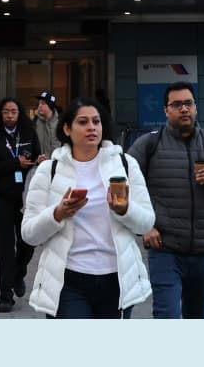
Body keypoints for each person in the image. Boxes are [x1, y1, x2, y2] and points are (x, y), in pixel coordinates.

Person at [21, 97, 154, 319]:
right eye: (83, 122)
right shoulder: (48, 170)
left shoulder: (125, 164)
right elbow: (29, 234)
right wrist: (57, 214)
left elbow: (147, 222)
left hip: (116, 278)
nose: (91, 127)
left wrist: (125, 210)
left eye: (96, 121)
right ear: (67, 128)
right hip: (67, 280)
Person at [130, 81, 204, 318]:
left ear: (195, 108)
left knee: (197, 318)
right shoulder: (149, 144)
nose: (184, 109)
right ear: (166, 110)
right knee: (167, 316)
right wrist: (144, 227)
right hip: (165, 250)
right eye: (176, 104)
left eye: (188, 103)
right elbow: (121, 186)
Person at [0, 96, 38, 311]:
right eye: (6, 112)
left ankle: (18, 273)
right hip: (2, 198)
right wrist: (14, 163)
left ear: (20, 113)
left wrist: (38, 161)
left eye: (14, 111)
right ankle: (5, 296)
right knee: (5, 248)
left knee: (28, 242)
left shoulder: (28, 133)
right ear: (0, 114)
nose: (10, 115)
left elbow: (35, 157)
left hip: (25, 198)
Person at [32, 91, 62, 161]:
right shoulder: (34, 122)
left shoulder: (60, 124)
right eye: (39, 103)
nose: (39, 106)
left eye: (43, 103)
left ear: (50, 106)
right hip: (38, 165)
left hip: (55, 166)